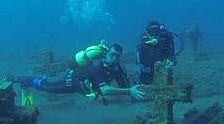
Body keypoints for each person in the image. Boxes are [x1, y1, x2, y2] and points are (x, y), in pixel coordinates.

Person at [8, 43, 144, 104]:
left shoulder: (117, 68)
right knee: (44, 86)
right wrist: (129, 91)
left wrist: (133, 90)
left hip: (86, 88)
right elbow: (106, 90)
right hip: (72, 81)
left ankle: (44, 77)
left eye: (117, 56)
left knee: (47, 82)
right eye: (112, 54)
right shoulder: (97, 65)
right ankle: (18, 79)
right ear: (107, 54)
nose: (114, 58)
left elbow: (125, 86)